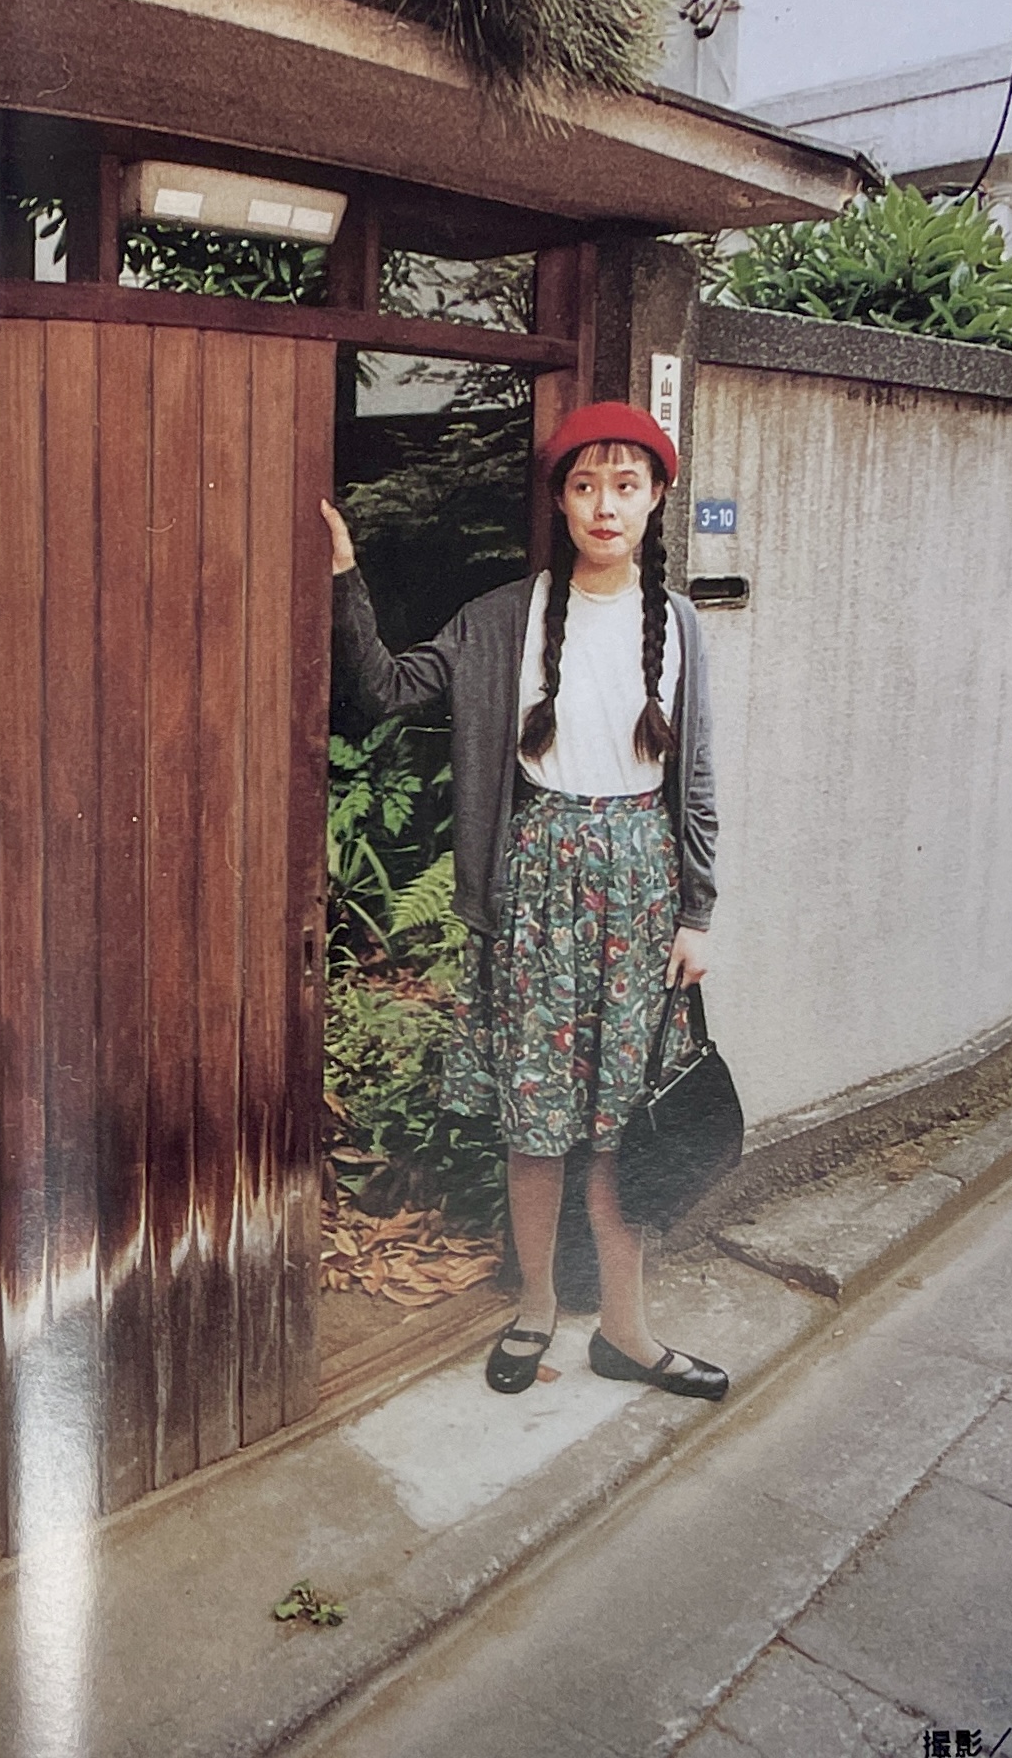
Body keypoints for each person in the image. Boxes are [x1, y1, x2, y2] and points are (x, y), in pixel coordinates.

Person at [321, 399, 728, 1401]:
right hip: (535, 889)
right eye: (585, 486)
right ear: (560, 500)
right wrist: (342, 575)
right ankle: (536, 1309)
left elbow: (696, 781)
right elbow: (386, 687)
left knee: (625, 1122)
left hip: (642, 894)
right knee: (535, 1118)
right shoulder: (504, 617)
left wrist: (698, 914)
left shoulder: (676, 624)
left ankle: (626, 1332)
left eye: (625, 485)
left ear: (655, 498)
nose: (604, 506)